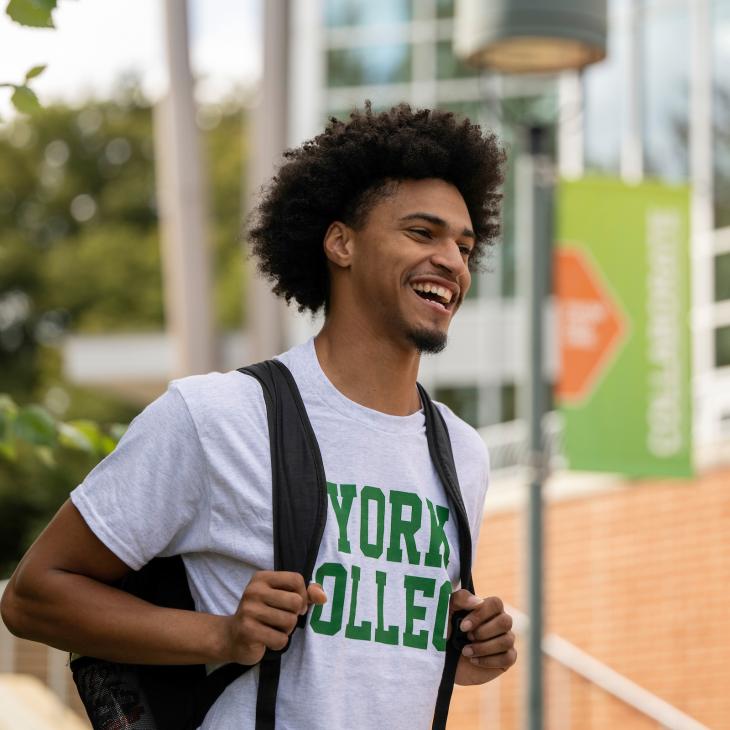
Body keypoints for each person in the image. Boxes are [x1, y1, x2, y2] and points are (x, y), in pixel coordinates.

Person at [1, 103, 517, 728]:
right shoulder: (218, 417)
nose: (453, 261)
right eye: (421, 233)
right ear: (341, 242)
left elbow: (365, 658)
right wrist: (221, 635)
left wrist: (470, 650)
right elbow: (35, 596)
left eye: (465, 246)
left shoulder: (463, 453)